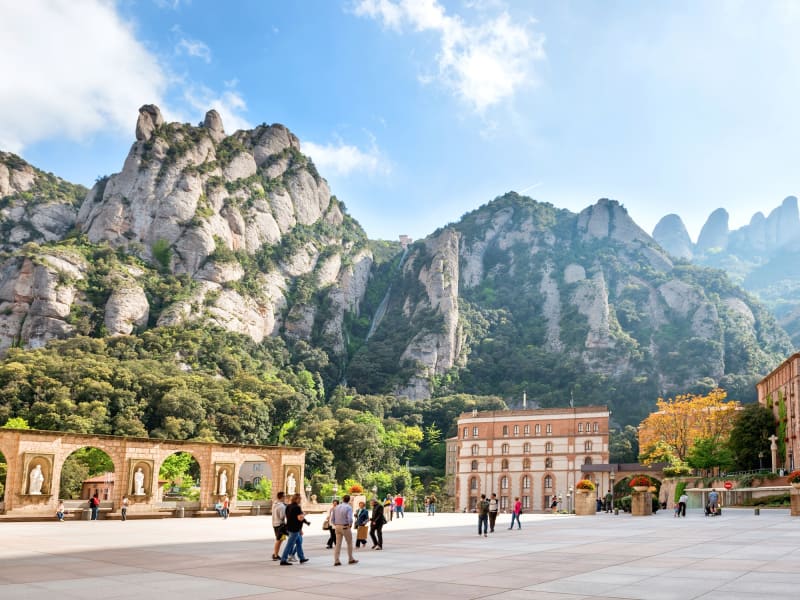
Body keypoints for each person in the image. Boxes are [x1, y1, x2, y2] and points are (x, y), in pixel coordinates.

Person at [280, 493, 309, 565]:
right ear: (297, 499)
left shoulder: (288, 506)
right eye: (300, 499)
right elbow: (300, 518)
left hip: (289, 527)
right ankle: (283, 559)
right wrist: (304, 514)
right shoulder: (297, 507)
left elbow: (287, 516)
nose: (300, 500)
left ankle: (301, 558)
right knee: (289, 544)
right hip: (295, 529)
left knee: (299, 542)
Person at [332, 494, 358, 566]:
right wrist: (350, 524)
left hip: (337, 526)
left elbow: (332, 519)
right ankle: (350, 559)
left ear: (343, 499)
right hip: (345, 526)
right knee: (349, 543)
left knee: (338, 544)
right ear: (348, 500)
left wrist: (336, 524)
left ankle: (336, 560)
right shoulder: (348, 507)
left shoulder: (336, 507)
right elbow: (349, 518)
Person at [271, 491, 287, 561]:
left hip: (275, 523)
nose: (285, 498)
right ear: (282, 497)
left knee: (280, 539)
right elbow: (282, 517)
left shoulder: (275, 504)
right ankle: (275, 555)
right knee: (279, 540)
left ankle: (276, 554)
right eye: (285, 496)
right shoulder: (282, 506)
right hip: (281, 525)